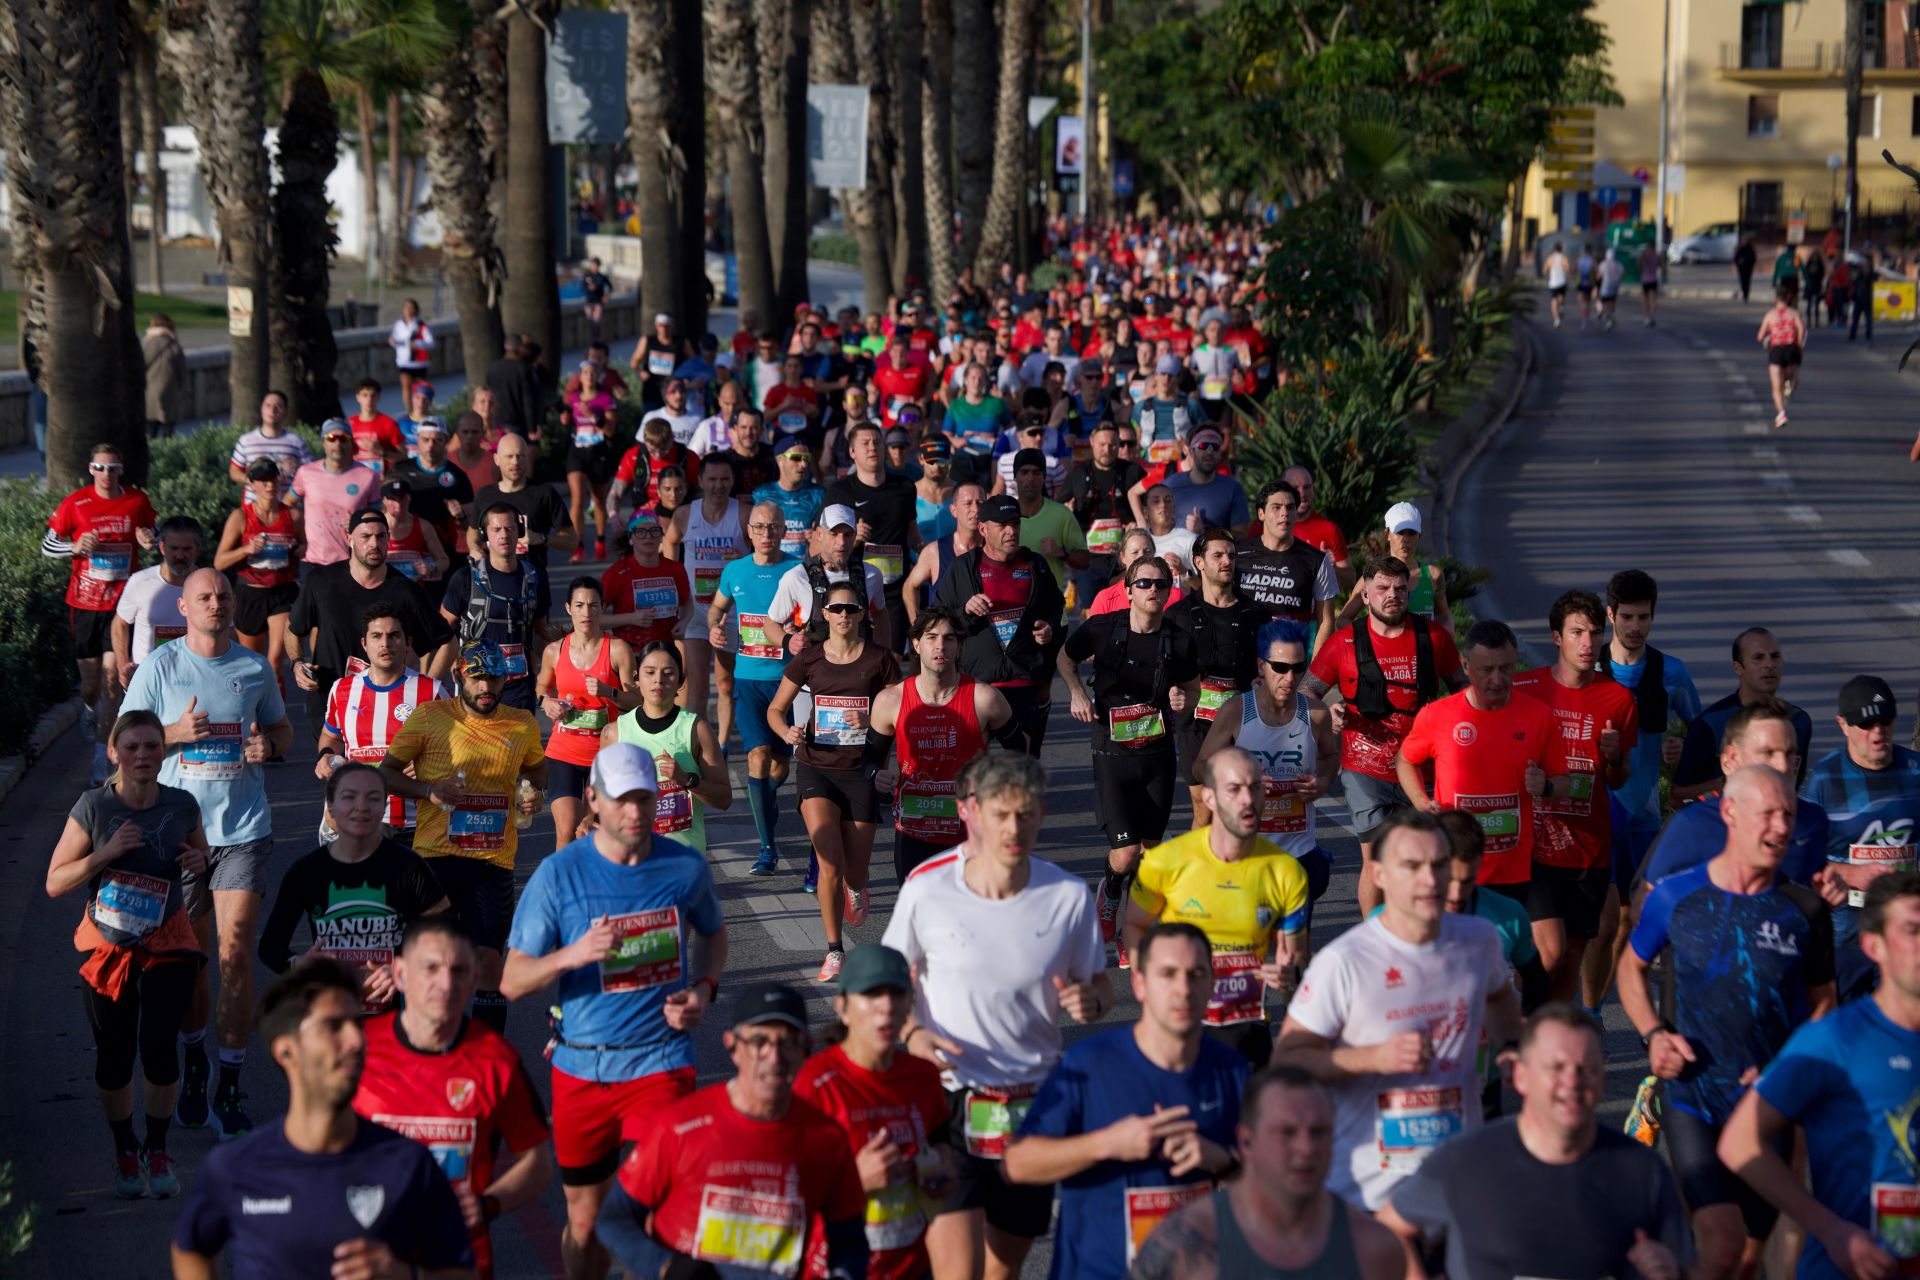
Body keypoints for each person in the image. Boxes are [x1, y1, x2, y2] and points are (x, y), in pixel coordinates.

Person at [498, 742, 725, 1280]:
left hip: (662, 1063)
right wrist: (572, 954)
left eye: (645, 799)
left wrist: (704, 990)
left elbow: (714, 935)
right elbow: (510, 980)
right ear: (593, 800)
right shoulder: (559, 875)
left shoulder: (684, 867)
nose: (635, 812)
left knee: (664, 1210)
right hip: (583, 1071)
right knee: (586, 1223)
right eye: (622, 799)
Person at [883, 753, 1111, 1280]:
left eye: (1026, 814)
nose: (1015, 828)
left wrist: (1091, 1001)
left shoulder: (1067, 897)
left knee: (1001, 1270)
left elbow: (1096, 985)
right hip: (950, 1098)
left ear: (1041, 814)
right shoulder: (928, 888)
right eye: (1003, 814)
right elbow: (889, 983)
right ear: (973, 813)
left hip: (1031, 1105)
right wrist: (913, 1033)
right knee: (957, 1272)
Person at [1618, 765, 1835, 1277]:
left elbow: (1825, 1004)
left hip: (1769, 1104)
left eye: (1788, 815)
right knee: (1719, 1243)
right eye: (1768, 814)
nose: (1781, 828)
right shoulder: (1675, 895)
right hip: (1693, 1094)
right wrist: (1653, 1034)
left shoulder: (1803, 910)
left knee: (1744, 1259)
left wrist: (1789, 1070)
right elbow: (1631, 967)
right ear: (1730, 813)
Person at [1274, 809, 1523, 1210]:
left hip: (1457, 1186)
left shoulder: (1480, 940)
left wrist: (1511, 1048)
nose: (1430, 879)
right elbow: (1287, 1062)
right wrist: (1374, 1057)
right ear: (1379, 875)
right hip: (1370, 1197)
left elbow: (1500, 1001)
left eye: (1439, 865)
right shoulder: (1345, 961)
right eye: (1412, 866)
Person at [169, 959, 477, 1279]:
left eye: (356, 1024)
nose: (356, 1041)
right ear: (286, 1051)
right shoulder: (235, 1168)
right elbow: (190, 1249)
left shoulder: (410, 1165)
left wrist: (403, 1275)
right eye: (333, 1027)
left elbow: (457, 1271)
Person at [122, 568, 292, 1142]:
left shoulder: (252, 667)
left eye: (223, 596)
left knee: (235, 955)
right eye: (204, 597)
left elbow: (283, 731)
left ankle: (231, 1081)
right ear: (185, 607)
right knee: (193, 960)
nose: (216, 604)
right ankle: (195, 1060)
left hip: (244, 828)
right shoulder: (161, 666)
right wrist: (172, 733)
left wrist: (268, 746)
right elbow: (121, 742)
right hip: (181, 835)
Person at [1003, 923, 1247, 1280]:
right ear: (1139, 984)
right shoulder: (1088, 1065)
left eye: (1196, 974)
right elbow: (1017, 1164)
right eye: (1168, 974)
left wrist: (1222, 1162)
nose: (1183, 989)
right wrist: (1107, 1143)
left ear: (1212, 984)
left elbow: (1275, 1192)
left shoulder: (1234, 1073)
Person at [1378, 1005, 1692, 1279]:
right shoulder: (1466, 1160)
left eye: (1586, 1069)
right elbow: (1389, 1229)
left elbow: (1683, 1265)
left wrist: (1669, 1274)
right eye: (1555, 1068)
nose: (1571, 1082)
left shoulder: (1642, 1171)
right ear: (1520, 1076)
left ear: (1602, 1080)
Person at [1718, 870, 1920, 1279]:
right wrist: (1828, 1227)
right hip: (1846, 1264)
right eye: (1913, 930)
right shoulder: (1835, 1038)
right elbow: (1739, 1144)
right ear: (1872, 945)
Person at [594, 982, 869, 1279]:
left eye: (788, 1042)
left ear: (807, 1051)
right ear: (732, 1046)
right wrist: (665, 1267)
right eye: (758, 1042)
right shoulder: (680, 1125)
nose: (774, 1058)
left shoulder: (826, 1139)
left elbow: (850, 1242)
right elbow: (615, 1218)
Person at [45, 709, 208, 1199]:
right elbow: (54, 882)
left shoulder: (182, 803)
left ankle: (156, 1150)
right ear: (114, 752)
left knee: (159, 1050)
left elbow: (201, 859)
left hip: (169, 944)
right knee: (115, 1058)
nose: (142, 755)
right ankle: (124, 1149)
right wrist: (105, 852)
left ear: (165, 752)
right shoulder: (93, 808)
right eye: (132, 747)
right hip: (107, 950)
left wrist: (202, 860)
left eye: (152, 746)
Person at [354, 916, 553, 1280]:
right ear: (399, 975)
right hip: (370, 1259)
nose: (445, 984)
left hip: (459, 1261)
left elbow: (538, 1166)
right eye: (430, 968)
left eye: (458, 970)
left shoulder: (496, 1060)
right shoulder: (357, 1054)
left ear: (475, 979)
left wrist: (487, 1205)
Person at [379, 641, 547, 1037]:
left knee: (488, 961)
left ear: (506, 679)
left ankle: (486, 1056)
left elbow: (539, 772)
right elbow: (385, 772)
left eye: (494, 677)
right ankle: (425, 1049)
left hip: (493, 862)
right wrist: (428, 791)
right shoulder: (430, 716)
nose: (486, 686)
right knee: (433, 960)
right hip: (435, 859)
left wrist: (532, 792)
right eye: (477, 677)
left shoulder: (521, 723)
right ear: (458, 677)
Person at [1127, 1064, 1407, 1279]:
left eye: (1318, 1132)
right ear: (1246, 1141)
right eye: (1286, 1132)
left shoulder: (1374, 1247)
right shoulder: (1186, 1242)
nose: (1305, 1148)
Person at [1123, 749, 1312, 1066]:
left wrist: (1291, 982)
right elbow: (1134, 925)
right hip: (1177, 1021)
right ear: (1208, 798)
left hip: (1245, 1026)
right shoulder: (1166, 861)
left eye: (1254, 788)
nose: (1247, 799)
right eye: (1234, 789)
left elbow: (1295, 961)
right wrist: (1146, 982)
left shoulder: (1286, 872)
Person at [1060, 552, 1200, 966]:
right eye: (1144, 584)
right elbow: (1065, 658)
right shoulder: (1103, 629)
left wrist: (1181, 699)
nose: (1153, 590)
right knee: (1125, 855)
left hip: (1157, 751)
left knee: (1151, 854)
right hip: (1112, 750)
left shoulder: (1178, 639)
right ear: (1128, 590)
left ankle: (1129, 931)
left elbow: (1192, 688)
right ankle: (1110, 890)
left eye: (1161, 584)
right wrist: (1076, 692)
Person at [793, 944, 954, 1280]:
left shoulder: (922, 1077)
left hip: (911, 1267)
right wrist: (856, 1180)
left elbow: (940, 1138)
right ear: (843, 1007)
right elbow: (785, 1190)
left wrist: (940, 1167)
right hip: (835, 1267)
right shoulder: (815, 1085)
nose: (886, 1009)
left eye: (897, 994)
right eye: (871, 995)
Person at [769, 581, 902, 981]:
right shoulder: (809, 658)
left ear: (862, 614)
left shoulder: (881, 659)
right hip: (816, 767)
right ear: (824, 615)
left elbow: (901, 711)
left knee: (854, 870)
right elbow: (777, 709)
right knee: (829, 859)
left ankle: (857, 887)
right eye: (836, 609)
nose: (844, 615)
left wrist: (872, 719)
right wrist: (786, 733)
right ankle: (834, 949)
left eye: (851, 609)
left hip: (861, 769)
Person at [1511, 589, 1639, 1001]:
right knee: (1545, 955)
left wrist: (1615, 756)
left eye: (1595, 633)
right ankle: (1522, 1034)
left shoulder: (1618, 699)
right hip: (1533, 846)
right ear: (1556, 637)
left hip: (1589, 849)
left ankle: (1555, 1039)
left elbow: (1617, 779)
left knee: (1571, 957)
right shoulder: (1524, 689)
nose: (1588, 643)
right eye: (1577, 632)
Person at [1396, 618, 1572, 905]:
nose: (1497, 679)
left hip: (1517, 869)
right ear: (1466, 666)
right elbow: (1405, 760)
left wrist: (1547, 786)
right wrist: (1422, 803)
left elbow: (1565, 782)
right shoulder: (1437, 715)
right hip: (1456, 870)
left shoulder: (1539, 715)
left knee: (1541, 949)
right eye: (1487, 669)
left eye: (1505, 668)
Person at [1589, 569, 1702, 1009]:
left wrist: (1681, 747)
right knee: (1603, 922)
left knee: (1630, 918)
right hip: (1595, 812)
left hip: (1644, 815)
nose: (1636, 627)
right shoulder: (1590, 668)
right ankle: (1591, 1009)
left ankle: (1621, 1001)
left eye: (1645, 618)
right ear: (1610, 613)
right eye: (1628, 617)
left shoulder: (1672, 672)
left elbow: (1701, 732)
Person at [1194, 622, 1340, 921]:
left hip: (1298, 853)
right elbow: (1200, 767)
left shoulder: (1316, 714)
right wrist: (1241, 780)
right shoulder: (1236, 711)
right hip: (1244, 852)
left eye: (1298, 668)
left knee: (1295, 954)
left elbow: (1330, 755)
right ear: (1261, 666)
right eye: (1280, 667)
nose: (1290, 677)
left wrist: (1322, 782)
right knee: (1246, 950)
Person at [259, 763, 448, 991]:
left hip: (396, 1015)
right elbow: (270, 947)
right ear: (330, 807)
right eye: (349, 797)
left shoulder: (409, 866)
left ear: (384, 806)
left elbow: (447, 933)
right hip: (332, 1010)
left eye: (374, 798)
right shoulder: (307, 872)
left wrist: (404, 967)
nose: (362, 807)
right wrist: (299, 964)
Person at [868, 606, 1012, 881]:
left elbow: (1021, 752)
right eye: (931, 637)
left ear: (958, 646)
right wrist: (877, 775)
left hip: (969, 833)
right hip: (913, 832)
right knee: (920, 918)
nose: (940, 646)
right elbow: (869, 759)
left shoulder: (984, 698)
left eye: (949, 638)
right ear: (916, 644)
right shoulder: (891, 701)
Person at [43, 441, 158, 781]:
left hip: (122, 606)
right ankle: (90, 709)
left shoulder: (136, 501)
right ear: (90, 469)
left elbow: (156, 533)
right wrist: (74, 547)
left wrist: (149, 539)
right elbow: (48, 545)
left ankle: (101, 761)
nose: (106, 474)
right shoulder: (75, 504)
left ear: (121, 470)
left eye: (112, 468)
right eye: (100, 467)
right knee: (91, 686)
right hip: (84, 605)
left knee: (112, 683)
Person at [1801, 674, 1920, 991]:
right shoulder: (1823, 781)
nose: (1878, 731)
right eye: (1866, 725)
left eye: (1885, 721)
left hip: (1906, 935)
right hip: (1846, 939)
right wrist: (1850, 873)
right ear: (1842, 724)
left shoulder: (1916, 771)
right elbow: (1800, 859)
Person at [290, 509, 453, 740]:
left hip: (388, 711)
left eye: (381, 536)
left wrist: (424, 693)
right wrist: (297, 664)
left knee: (383, 776)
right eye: (365, 536)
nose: (374, 543)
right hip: (330, 703)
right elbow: (293, 629)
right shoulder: (321, 582)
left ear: (388, 539)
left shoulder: (406, 591)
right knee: (335, 773)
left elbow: (448, 642)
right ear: (349, 539)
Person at [929, 494, 1065, 757]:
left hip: (1022, 681)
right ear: (983, 529)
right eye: (1002, 525)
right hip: (976, 684)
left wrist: (1048, 627)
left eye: (1015, 524)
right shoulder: (964, 568)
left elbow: (1055, 606)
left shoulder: (1035, 563)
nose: (1011, 531)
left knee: (1022, 765)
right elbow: (937, 620)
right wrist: (965, 611)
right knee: (972, 765)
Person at [1641, 698, 1826, 888]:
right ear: (1731, 759)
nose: (1783, 765)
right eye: (1768, 753)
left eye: (1789, 753)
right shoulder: (1692, 826)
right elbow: (1645, 902)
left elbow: (1818, 893)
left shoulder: (1812, 821)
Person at [708, 502, 797, 873]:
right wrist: (715, 625)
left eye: (773, 528)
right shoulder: (735, 570)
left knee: (780, 767)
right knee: (757, 756)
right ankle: (767, 848)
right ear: (748, 531)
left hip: (788, 682)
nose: (766, 535)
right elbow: (716, 608)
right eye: (759, 528)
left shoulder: (797, 570)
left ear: (783, 531)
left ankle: (765, 799)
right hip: (748, 678)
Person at [1166, 530, 1273, 826]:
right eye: (1218, 555)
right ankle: (1198, 871)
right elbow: (1164, 668)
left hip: (1243, 723)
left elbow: (1269, 666)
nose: (1227, 561)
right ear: (1199, 562)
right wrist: (1172, 690)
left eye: (1232, 555)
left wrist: (1263, 682)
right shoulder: (1178, 615)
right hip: (1196, 721)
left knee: (1240, 806)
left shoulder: (1256, 613)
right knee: (1204, 805)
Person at [314, 607, 447, 843]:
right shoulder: (342, 689)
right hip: (356, 820)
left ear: (408, 643)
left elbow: (458, 746)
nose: (385, 644)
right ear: (364, 643)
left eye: (394, 635)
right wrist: (325, 755)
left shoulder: (431, 691)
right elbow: (331, 736)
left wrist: (431, 764)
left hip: (416, 823)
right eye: (377, 636)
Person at [603, 640, 731, 857]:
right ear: (636, 678)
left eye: (668, 673)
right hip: (632, 858)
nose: (658, 680)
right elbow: (602, 799)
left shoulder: (696, 730)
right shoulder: (614, 733)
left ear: (680, 681)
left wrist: (687, 780)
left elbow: (723, 799)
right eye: (650, 672)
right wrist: (589, 821)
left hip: (683, 859)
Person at [536, 577, 639, 845]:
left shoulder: (617, 650)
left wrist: (610, 693)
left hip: (605, 755)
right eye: (580, 605)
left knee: (593, 831)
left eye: (593, 606)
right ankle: (564, 887)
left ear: (602, 608)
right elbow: (541, 688)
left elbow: (636, 701)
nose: (586, 613)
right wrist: (546, 703)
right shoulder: (553, 651)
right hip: (564, 752)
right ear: (568, 608)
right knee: (568, 830)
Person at [1673, 626, 1815, 801]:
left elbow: (1796, 784)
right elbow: (1677, 796)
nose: (1769, 664)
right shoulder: (1709, 724)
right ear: (1738, 668)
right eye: (1758, 658)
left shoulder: (1799, 720)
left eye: (1775, 656)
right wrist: (1725, 783)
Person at [664, 453, 749, 745]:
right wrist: (673, 586)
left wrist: (746, 559)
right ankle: (695, 746)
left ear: (733, 480)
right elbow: (670, 542)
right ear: (700, 481)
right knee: (697, 685)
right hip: (696, 613)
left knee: (725, 684)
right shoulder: (686, 514)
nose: (718, 485)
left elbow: (762, 557)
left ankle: (722, 744)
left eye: (725, 479)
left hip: (732, 612)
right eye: (712, 479)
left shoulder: (744, 514)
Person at [441, 503, 554, 713]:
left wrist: (553, 670)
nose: (504, 535)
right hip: (476, 684)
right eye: (496, 529)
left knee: (517, 745)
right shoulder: (466, 578)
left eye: (510, 528)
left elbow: (541, 631)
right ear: (485, 535)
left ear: (519, 532)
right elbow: (443, 627)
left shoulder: (535, 578)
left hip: (519, 686)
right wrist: (453, 667)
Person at [827, 421, 923, 653]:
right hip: (855, 587)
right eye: (865, 443)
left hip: (894, 590)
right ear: (852, 452)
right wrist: (852, 538)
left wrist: (927, 550)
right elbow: (820, 546)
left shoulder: (905, 487)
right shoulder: (840, 491)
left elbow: (912, 532)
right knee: (855, 658)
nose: (873, 448)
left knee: (892, 660)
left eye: (877, 442)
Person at [215, 461, 303, 676]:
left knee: (274, 662)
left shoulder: (292, 516)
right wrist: (246, 549)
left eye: (272, 478)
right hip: (250, 593)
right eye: (262, 480)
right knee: (252, 665)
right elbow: (219, 562)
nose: (269, 485)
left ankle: (279, 710)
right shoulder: (241, 517)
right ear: (251, 484)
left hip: (281, 592)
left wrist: (300, 550)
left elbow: (306, 545)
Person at [769, 502, 891, 650]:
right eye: (834, 534)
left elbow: (880, 614)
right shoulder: (797, 577)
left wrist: (885, 655)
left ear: (855, 536)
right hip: (816, 668)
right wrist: (788, 641)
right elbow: (770, 624)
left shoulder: (871, 574)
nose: (841, 542)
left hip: (859, 669)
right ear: (820, 534)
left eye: (848, 534)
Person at [1234, 481, 1337, 655]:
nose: (1284, 513)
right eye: (1276, 507)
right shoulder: (1237, 552)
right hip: (1241, 656)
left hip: (1290, 663)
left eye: (1290, 508)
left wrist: (1313, 675)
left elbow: (1326, 621)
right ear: (1261, 513)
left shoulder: (1317, 560)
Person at [1060, 420, 1146, 608]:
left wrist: (1138, 520)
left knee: (1126, 609)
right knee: (1091, 613)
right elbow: (1058, 507)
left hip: (1125, 558)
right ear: (1091, 441)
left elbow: (1151, 505)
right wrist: (1067, 510)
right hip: (1089, 559)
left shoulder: (1133, 472)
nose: (1107, 449)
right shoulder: (1078, 474)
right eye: (1102, 444)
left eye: (1113, 444)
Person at [114, 516, 202, 693]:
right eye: (174, 548)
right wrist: (123, 667)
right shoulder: (140, 582)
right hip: (146, 681)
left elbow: (227, 631)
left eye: (186, 549)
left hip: (192, 681)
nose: (180, 555)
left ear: (197, 549)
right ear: (162, 547)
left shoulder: (207, 584)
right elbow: (119, 623)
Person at [469, 432, 576, 574]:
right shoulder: (485, 496)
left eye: (520, 456)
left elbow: (571, 540)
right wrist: (474, 549)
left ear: (527, 458)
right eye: (509, 456)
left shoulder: (544, 493)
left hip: (534, 582)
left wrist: (541, 538)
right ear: (496, 459)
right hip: (493, 583)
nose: (515, 462)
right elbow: (472, 534)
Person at [1336, 502, 1449, 632]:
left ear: (1419, 536)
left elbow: (1444, 616)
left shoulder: (1432, 576)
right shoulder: (1372, 578)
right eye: (1400, 532)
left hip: (1425, 652)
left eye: (1411, 533)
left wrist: (1446, 643)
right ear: (1387, 534)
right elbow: (1342, 620)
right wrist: (1369, 640)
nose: (1405, 539)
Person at [291, 420, 380, 569]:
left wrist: (360, 521)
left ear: (351, 442)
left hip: (352, 561)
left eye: (343, 438)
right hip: (313, 561)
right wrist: (298, 541)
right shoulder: (306, 472)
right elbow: (287, 506)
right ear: (323, 443)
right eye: (331, 438)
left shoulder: (368, 476)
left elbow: (378, 517)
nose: (337, 444)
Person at [600, 509, 692, 652]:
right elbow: (593, 619)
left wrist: (685, 622)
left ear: (661, 537)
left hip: (667, 651)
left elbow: (688, 603)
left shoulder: (676, 569)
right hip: (631, 653)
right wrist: (631, 618)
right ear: (631, 538)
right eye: (641, 532)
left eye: (654, 531)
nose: (648, 537)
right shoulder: (617, 573)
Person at [1128, 427, 1248, 535]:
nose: (1209, 451)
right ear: (1190, 451)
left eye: (1216, 447)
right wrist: (1142, 525)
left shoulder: (1232, 488)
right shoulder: (1169, 484)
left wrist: (1205, 532)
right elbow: (1156, 530)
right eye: (1203, 446)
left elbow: (1241, 535)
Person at [1004, 445, 1088, 590]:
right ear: (1015, 476)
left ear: (1044, 477)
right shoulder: (1003, 515)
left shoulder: (1061, 514)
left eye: (1036, 473)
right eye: (1024, 472)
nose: (1030, 478)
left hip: (1051, 609)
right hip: (1012, 607)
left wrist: (1062, 552)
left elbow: (1085, 561)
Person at [903, 482, 987, 621]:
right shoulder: (934, 551)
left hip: (985, 637)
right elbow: (909, 587)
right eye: (968, 503)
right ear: (953, 510)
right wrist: (917, 627)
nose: (975, 509)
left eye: (980, 502)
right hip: (946, 639)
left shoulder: (995, 549)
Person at [754, 432, 828, 561]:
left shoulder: (819, 494)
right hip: (772, 567)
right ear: (779, 460)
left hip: (806, 570)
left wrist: (819, 537)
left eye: (806, 458)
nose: (804, 464)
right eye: (796, 458)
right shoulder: (761, 495)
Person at [227, 390, 314, 485]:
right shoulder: (246, 441)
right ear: (261, 409)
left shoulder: (297, 442)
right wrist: (252, 480)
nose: (272, 410)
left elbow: (311, 472)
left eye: (278, 407)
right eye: (268, 405)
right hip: (253, 499)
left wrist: (297, 466)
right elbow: (234, 471)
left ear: (286, 412)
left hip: (286, 499)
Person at [381, 478, 450, 584]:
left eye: (402, 498)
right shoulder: (375, 526)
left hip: (413, 593)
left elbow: (444, 561)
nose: (398, 505)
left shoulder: (423, 526)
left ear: (409, 498)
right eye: (393, 499)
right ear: (384, 500)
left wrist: (431, 567)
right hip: (383, 593)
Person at [1759, 283, 1807, 429]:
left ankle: (1781, 413)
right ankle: (1790, 383)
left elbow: (1760, 336)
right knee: (1790, 376)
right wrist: (1798, 345)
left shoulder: (1770, 314)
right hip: (1791, 349)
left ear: (1776, 298)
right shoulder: (1794, 313)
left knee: (1776, 387)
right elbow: (1802, 330)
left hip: (1777, 350)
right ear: (1789, 297)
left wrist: (1768, 338)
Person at [484, 332, 547, 437]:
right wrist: (532, 428)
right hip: (517, 423)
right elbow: (528, 401)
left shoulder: (493, 368)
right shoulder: (523, 369)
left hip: (497, 421)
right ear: (520, 348)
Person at [348, 377, 407, 475]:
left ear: (378, 397)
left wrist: (382, 452)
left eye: (373, 396)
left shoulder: (388, 423)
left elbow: (404, 458)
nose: (369, 400)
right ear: (358, 398)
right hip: (358, 479)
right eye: (365, 395)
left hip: (383, 481)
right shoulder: (349, 424)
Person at [143, 313, 187, 439]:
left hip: (149, 392)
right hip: (170, 392)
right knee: (168, 430)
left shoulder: (146, 343)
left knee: (150, 429)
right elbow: (182, 372)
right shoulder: (174, 345)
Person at [389, 298, 434, 408]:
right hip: (404, 362)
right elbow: (395, 340)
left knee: (420, 390)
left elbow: (431, 343)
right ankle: (409, 411)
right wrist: (392, 342)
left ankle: (421, 409)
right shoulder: (399, 324)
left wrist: (417, 344)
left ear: (415, 310)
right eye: (406, 307)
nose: (408, 310)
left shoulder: (421, 325)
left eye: (411, 308)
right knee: (406, 386)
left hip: (419, 362)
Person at [450, 412, 497, 494]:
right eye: (465, 432)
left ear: (482, 433)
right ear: (457, 433)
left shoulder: (494, 463)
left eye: (474, 432)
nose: (470, 436)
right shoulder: (447, 461)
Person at [579, 257, 611, 341]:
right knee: (589, 320)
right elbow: (582, 287)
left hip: (598, 302)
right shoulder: (587, 275)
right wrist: (589, 287)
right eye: (593, 265)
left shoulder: (601, 277)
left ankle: (596, 339)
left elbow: (609, 287)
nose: (594, 267)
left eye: (596, 265)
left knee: (596, 321)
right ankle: (590, 339)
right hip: (589, 301)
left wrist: (606, 295)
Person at [1595, 247, 1625, 331]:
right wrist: (1618, 280)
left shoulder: (1603, 264)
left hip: (1605, 288)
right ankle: (1608, 319)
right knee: (1611, 305)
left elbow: (1598, 277)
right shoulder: (1618, 264)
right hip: (1614, 288)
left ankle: (1603, 316)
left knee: (1605, 305)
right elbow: (1623, 273)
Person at [1543, 242, 1572, 329]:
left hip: (1553, 282)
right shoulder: (1564, 258)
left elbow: (1545, 269)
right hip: (1562, 282)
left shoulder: (1550, 258)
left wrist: (1548, 272)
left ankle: (1556, 319)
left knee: (1553, 301)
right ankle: (1561, 307)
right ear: (1561, 249)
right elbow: (1567, 268)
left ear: (1554, 249)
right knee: (1561, 298)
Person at [1638, 240, 1663, 327]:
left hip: (1646, 280)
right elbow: (1661, 266)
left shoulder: (1645, 255)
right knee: (1653, 299)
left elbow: (1638, 264)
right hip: (1653, 279)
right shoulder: (1657, 256)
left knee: (1646, 300)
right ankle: (1652, 316)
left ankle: (1647, 317)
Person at [1734, 237, 1758, 303]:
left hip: (1748, 269)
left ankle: (1746, 295)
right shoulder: (1740, 250)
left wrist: (1746, 262)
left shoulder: (1750, 250)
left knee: (1747, 282)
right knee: (1743, 282)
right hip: (1741, 269)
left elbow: (1753, 259)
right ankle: (1745, 294)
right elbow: (1736, 258)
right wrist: (1739, 263)